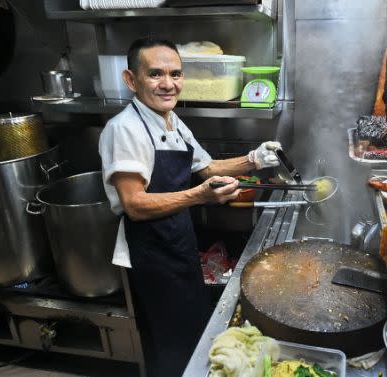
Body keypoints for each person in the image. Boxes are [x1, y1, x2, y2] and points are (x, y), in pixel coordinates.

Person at [98, 37, 281, 377]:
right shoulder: (124, 129)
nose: (168, 84)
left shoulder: (170, 120)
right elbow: (134, 204)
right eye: (155, 74)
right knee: (170, 344)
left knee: (193, 331)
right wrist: (199, 196)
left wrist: (255, 159)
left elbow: (206, 168)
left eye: (176, 74)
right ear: (131, 79)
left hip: (177, 240)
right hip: (150, 253)